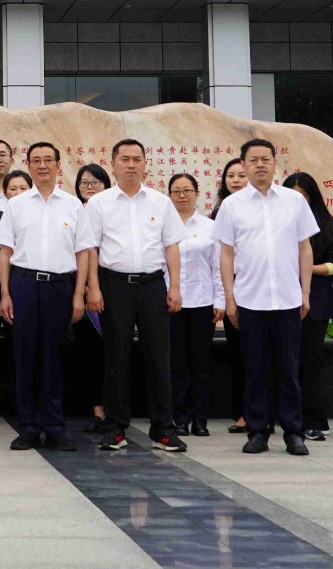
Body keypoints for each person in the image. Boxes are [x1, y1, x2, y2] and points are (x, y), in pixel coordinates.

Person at [215, 139, 319, 457]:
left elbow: (305, 248)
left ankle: (293, 432)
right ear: (244, 165)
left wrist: (305, 292)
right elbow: (226, 254)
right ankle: (257, 431)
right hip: (250, 299)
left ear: (275, 163)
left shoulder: (294, 201)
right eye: (253, 160)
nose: (260, 164)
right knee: (255, 370)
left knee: (289, 369)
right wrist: (229, 298)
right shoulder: (232, 205)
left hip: (288, 299)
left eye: (265, 159)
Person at [87, 140, 187, 452]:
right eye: (125, 159)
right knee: (116, 357)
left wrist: (174, 286)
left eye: (136, 159)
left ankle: (163, 428)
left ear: (145, 164)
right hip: (114, 284)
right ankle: (115, 427)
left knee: (158, 356)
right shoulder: (99, 203)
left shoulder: (160, 202)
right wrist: (93, 287)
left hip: (153, 284)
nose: (131, 164)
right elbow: (91, 249)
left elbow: (171, 246)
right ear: (113, 164)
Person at [0, 142, 92, 452]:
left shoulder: (73, 205)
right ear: (28, 165)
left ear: (58, 165)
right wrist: (5, 293)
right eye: (36, 160)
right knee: (24, 358)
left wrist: (79, 294)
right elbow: (5, 252)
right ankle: (27, 427)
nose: (42, 165)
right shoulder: (16, 204)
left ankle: (54, 427)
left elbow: (83, 252)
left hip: (60, 287)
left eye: (48, 160)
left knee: (55, 358)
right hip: (24, 285)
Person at [283, 172, 333, 441]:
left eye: (303, 196)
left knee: (310, 360)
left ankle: (312, 420)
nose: (298, 201)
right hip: (281, 298)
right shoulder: (277, 222)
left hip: (316, 301)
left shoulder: (329, 226)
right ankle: (284, 417)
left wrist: (307, 267)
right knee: (284, 360)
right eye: (293, 195)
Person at [166, 172, 220, 438]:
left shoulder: (210, 227)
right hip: (171, 303)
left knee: (200, 363)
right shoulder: (164, 226)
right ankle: (179, 418)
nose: (182, 196)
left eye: (187, 190)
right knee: (176, 364)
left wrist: (220, 300)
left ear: (197, 194)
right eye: (176, 191)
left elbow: (217, 267)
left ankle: (200, 418)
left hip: (202, 301)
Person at [73, 163, 111, 435]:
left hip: (112, 289)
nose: (89, 187)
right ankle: (98, 412)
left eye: (95, 182)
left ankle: (115, 410)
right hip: (83, 293)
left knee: (114, 354)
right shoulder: (74, 212)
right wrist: (84, 288)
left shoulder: (113, 211)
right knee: (90, 355)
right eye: (84, 183)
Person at [213, 157, 250, 434]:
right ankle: (243, 413)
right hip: (232, 286)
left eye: (241, 175)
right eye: (231, 176)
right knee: (239, 354)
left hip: (258, 285)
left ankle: (265, 411)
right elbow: (218, 257)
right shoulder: (219, 212)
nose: (235, 180)